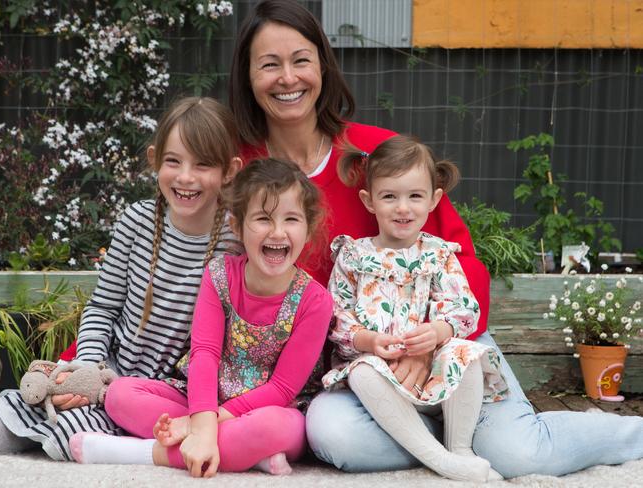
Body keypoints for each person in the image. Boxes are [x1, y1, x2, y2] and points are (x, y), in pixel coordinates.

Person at [229, 0, 643, 478]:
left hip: (439, 337)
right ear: (247, 75)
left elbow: (464, 262)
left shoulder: (374, 154)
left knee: (519, 456)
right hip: (363, 365)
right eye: (269, 64)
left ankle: (622, 435)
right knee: (333, 436)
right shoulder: (242, 171)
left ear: (323, 65)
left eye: (301, 59)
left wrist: (428, 344)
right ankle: (449, 452)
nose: (287, 77)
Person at [0, 97, 243, 460]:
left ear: (230, 170)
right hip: (107, 367)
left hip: (168, 392)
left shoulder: (235, 241)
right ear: (155, 159)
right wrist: (87, 368)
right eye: (173, 161)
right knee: (7, 421)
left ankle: (127, 443)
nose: (186, 177)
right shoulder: (137, 221)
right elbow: (102, 307)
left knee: (73, 427)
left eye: (203, 165)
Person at [68, 158, 333, 478]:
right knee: (120, 394)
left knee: (275, 429)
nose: (277, 231)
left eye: (291, 219)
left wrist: (203, 425)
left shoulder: (314, 301)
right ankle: (246, 456)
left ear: (308, 228)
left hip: (270, 410)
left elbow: (281, 388)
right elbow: (204, 355)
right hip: (202, 399)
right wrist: (202, 419)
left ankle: (136, 452)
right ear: (237, 226)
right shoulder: (219, 275)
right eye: (263, 218)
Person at [323, 135, 508, 482]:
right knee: (363, 370)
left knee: (464, 353)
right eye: (389, 196)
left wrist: (439, 333)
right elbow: (337, 316)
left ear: (434, 200)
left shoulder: (439, 254)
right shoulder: (353, 255)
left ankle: (460, 449)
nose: (403, 208)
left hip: (432, 372)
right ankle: (438, 458)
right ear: (369, 201)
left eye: (415, 196)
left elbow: (463, 309)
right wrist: (367, 340)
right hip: (379, 377)